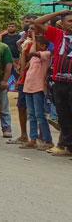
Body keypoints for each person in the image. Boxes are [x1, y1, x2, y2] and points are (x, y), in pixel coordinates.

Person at [32, 9, 72, 156]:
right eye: (70, 21)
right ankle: (66, 147)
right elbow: (37, 22)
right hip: (60, 83)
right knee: (63, 116)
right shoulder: (58, 34)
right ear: (62, 24)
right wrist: (59, 12)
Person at [19, 35, 53, 151]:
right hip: (28, 88)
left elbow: (33, 52)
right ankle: (33, 139)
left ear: (43, 46)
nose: (34, 46)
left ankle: (48, 140)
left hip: (38, 88)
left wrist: (33, 38)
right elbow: (25, 67)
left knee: (39, 115)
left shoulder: (46, 54)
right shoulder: (33, 57)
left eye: (37, 44)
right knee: (32, 115)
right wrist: (23, 52)